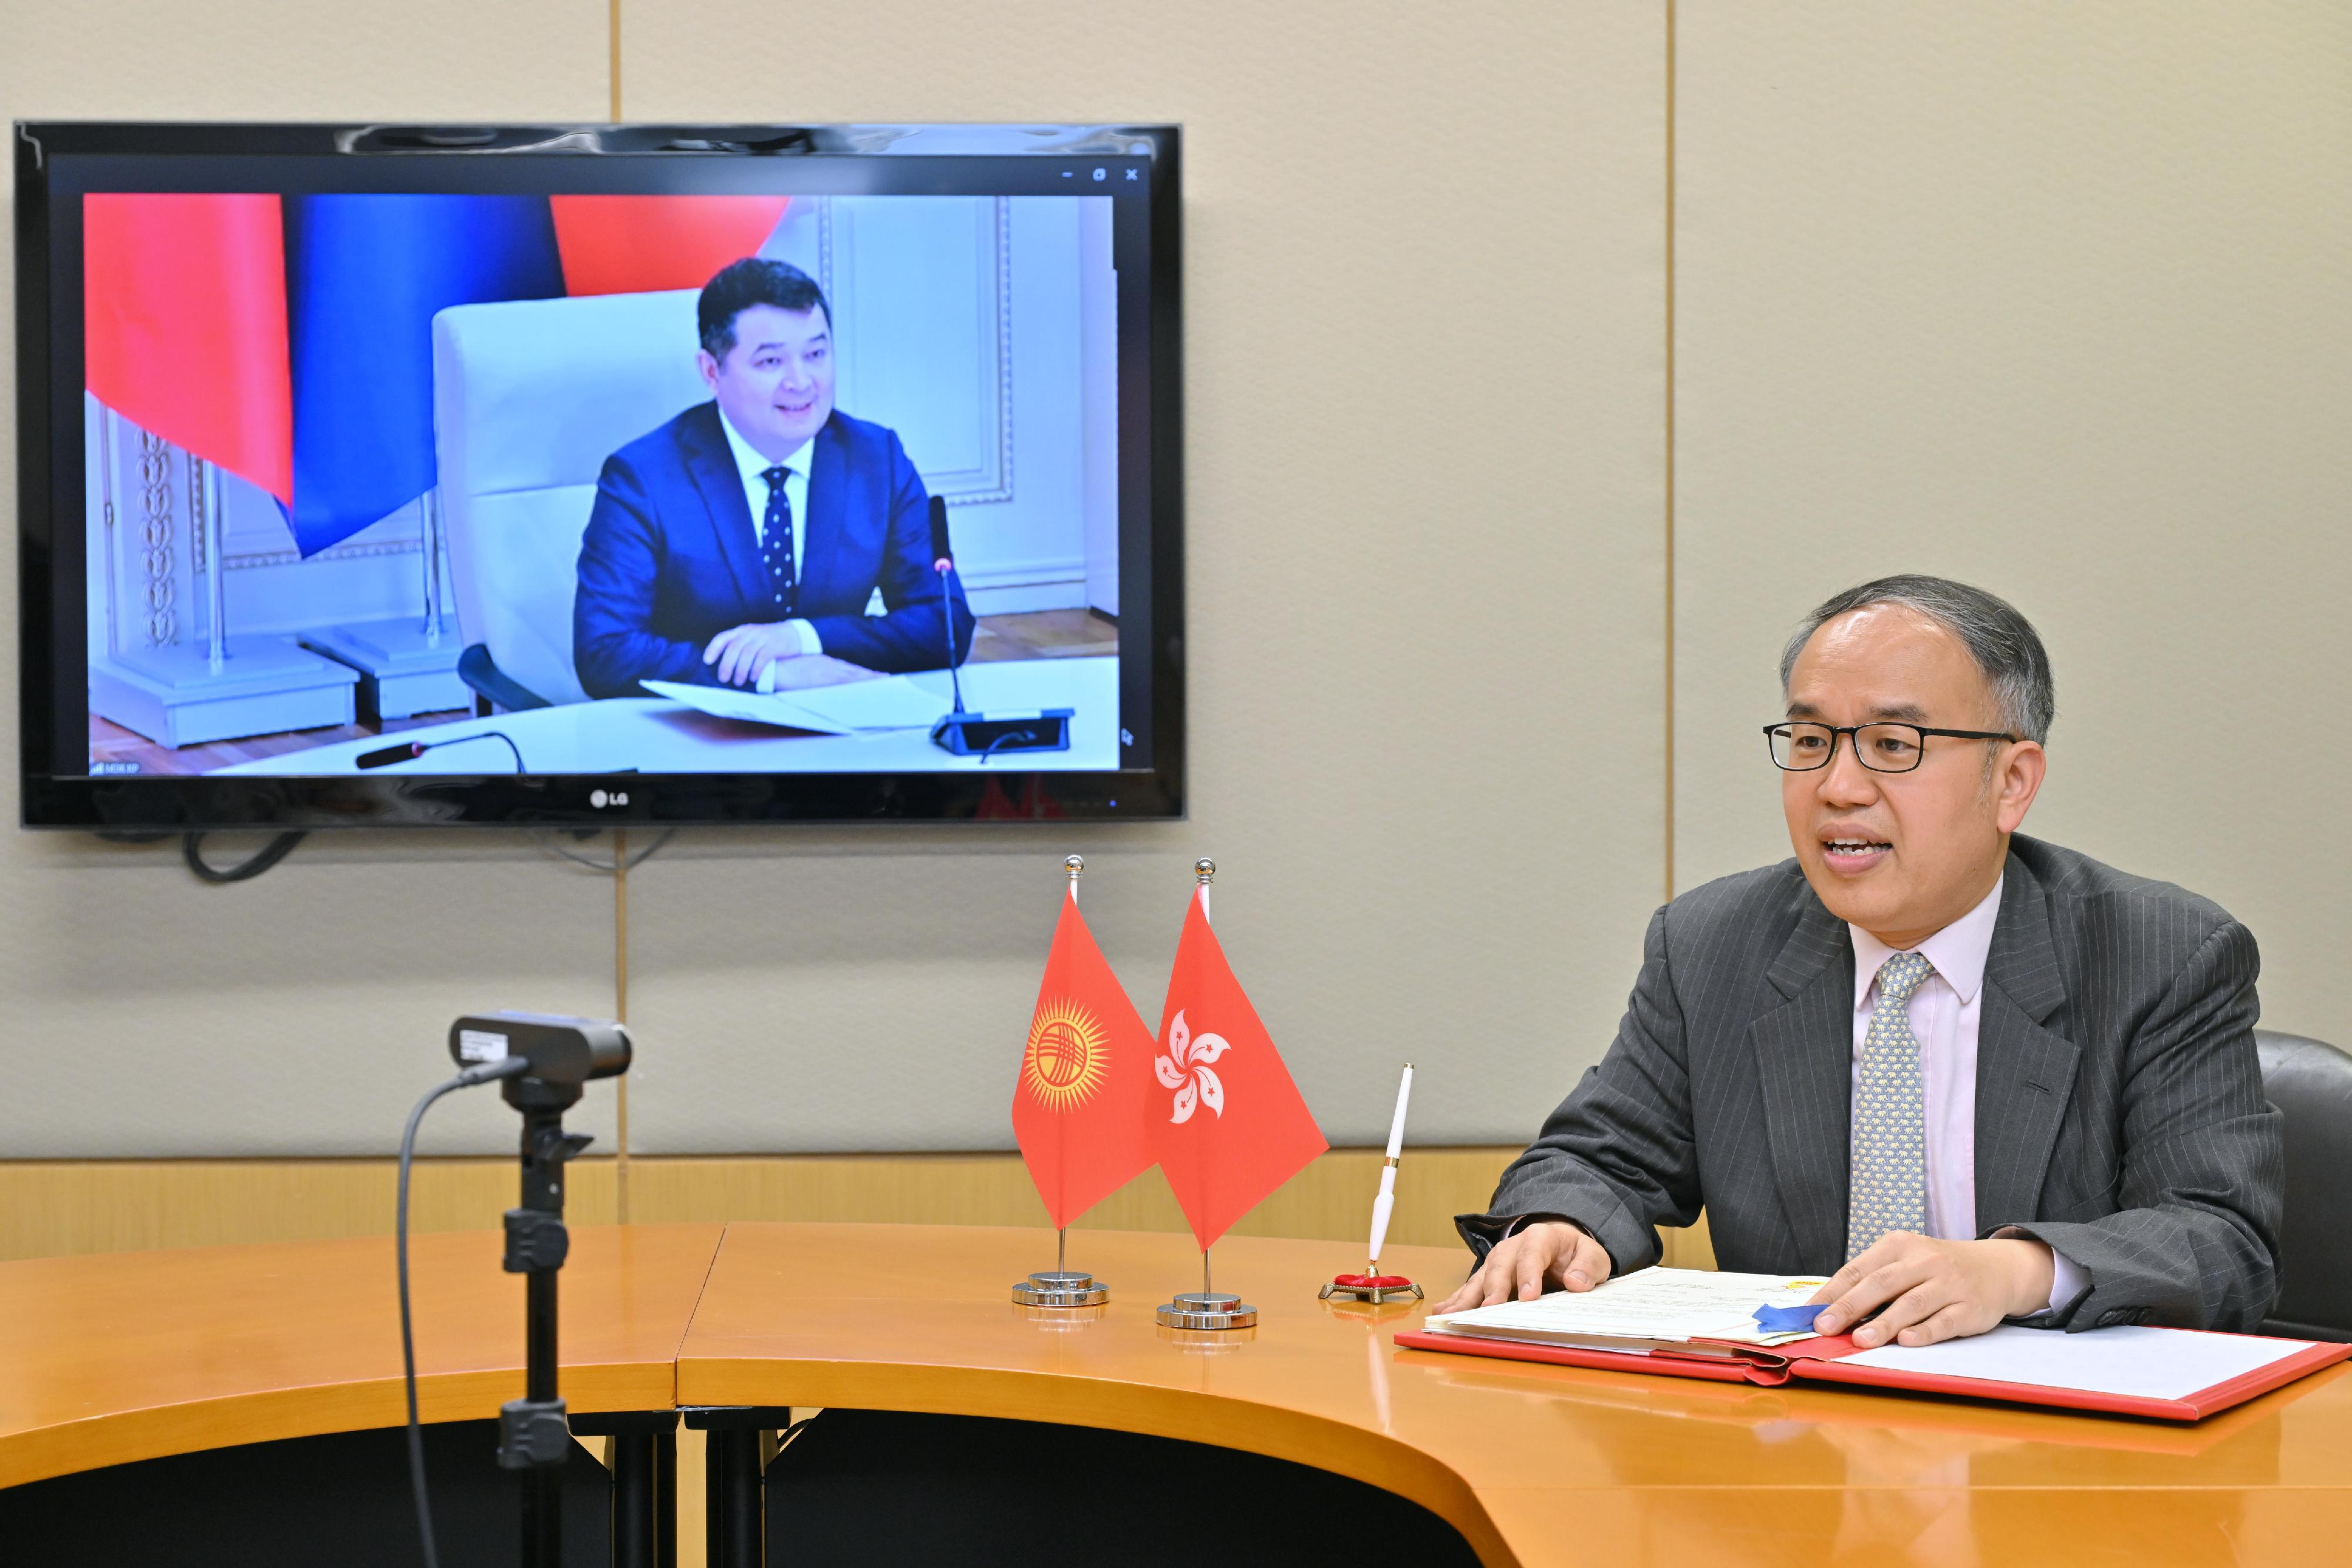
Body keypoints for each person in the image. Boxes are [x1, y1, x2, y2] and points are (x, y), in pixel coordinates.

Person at [1437, 576, 2281, 1343]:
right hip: (1791, 1439)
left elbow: (2220, 1239)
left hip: (2057, 1453)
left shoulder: (2160, 954)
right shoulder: (1713, 944)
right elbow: (1597, 1158)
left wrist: (2014, 1270)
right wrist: (1559, 1226)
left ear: (2012, 781)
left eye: (1891, 743)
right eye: (1810, 740)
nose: (1838, 785)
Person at [573, 258, 973, 700]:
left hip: (844, 737)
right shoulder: (643, 479)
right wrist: (768, 676)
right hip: (695, 740)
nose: (801, 383)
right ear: (711, 371)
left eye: (816, 354)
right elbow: (604, 653)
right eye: (771, 362)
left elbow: (944, 623)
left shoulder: (877, 459)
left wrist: (802, 638)